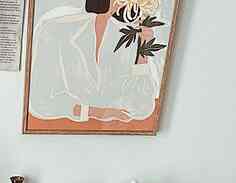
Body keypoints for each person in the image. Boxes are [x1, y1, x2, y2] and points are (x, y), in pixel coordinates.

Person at [28, 0, 168, 125]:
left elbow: (141, 107)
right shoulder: (54, 28)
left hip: (114, 136)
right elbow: (39, 101)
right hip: (62, 132)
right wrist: (95, 112)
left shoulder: (127, 37)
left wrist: (143, 52)